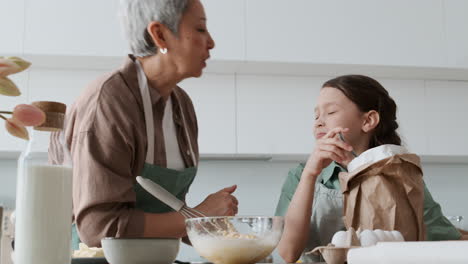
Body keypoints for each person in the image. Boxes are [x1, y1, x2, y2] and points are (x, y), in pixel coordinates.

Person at [49, 0, 238, 249]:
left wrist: (208, 226)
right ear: (160, 35)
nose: (211, 42)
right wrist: (197, 217)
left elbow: (168, 214)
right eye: (201, 29)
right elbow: (99, 227)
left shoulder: (182, 105)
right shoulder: (109, 100)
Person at [275, 74, 468, 263]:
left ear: (368, 121)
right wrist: (310, 174)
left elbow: (448, 241)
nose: (319, 121)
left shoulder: (399, 175)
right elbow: (288, 253)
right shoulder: (300, 176)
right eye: (316, 115)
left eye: (331, 112)